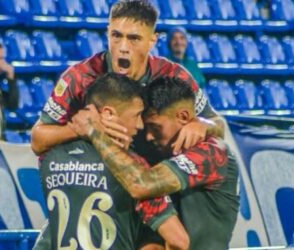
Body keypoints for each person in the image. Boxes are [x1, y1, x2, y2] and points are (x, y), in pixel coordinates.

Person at [31, 0, 224, 160]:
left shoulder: (174, 75)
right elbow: (37, 140)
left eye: (134, 38)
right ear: (108, 33)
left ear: (152, 41)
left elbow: (218, 123)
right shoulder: (79, 77)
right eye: (116, 36)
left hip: (158, 176)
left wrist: (203, 126)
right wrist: (79, 130)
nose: (123, 47)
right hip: (99, 179)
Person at [71, 77, 240, 250]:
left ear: (183, 116)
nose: (149, 136)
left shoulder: (213, 153)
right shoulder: (164, 158)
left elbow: (142, 185)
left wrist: (94, 131)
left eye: (155, 127)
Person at [39, 73, 189, 250]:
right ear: (108, 114)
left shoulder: (52, 158)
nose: (140, 125)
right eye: (137, 115)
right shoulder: (132, 170)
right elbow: (178, 241)